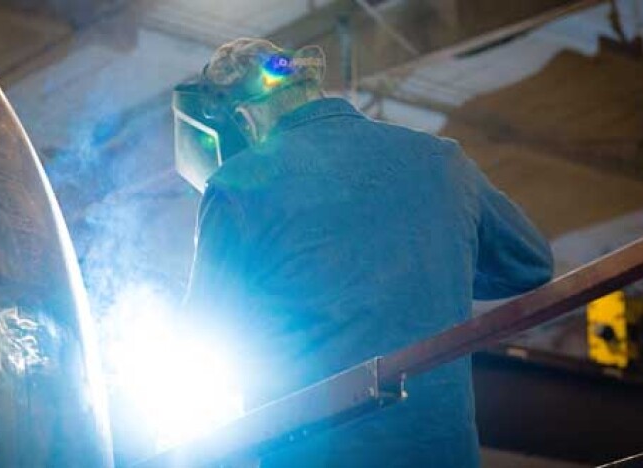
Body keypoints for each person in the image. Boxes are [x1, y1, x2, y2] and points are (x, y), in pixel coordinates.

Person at [174, 38, 553, 467]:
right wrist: (436, 260)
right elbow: (531, 263)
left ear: (243, 119)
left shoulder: (238, 185)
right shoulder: (442, 160)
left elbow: (205, 330)